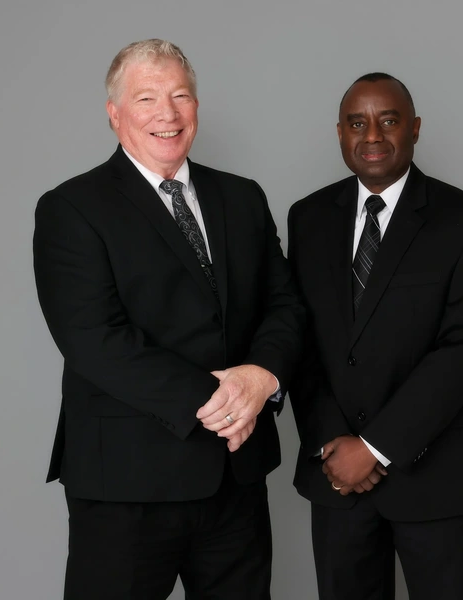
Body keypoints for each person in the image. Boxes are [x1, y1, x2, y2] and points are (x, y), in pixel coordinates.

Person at [33, 39, 303, 600]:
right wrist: (223, 402)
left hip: (236, 478)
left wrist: (262, 378)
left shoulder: (242, 197)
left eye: (181, 96)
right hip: (126, 484)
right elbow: (94, 339)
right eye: (148, 98)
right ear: (115, 114)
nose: (168, 113)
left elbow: (286, 305)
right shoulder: (71, 208)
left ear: (197, 107)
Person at [287, 73, 463, 599]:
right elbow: (298, 341)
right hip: (337, 481)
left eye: (389, 120)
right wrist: (335, 449)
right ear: (339, 133)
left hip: (438, 482)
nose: (373, 136)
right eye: (358, 123)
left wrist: (375, 449)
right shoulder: (308, 218)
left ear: (416, 129)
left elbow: (461, 349)